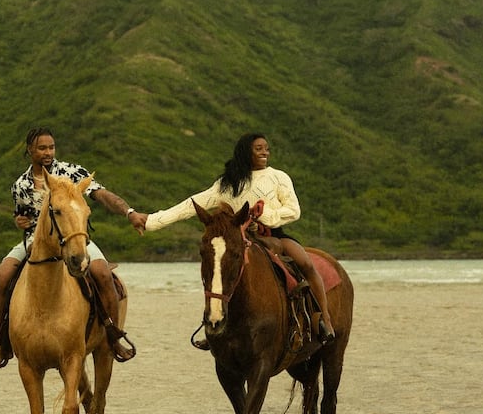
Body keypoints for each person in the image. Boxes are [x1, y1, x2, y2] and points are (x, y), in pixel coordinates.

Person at [136, 132, 335, 348]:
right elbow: (189, 205)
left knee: (305, 263)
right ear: (246, 151)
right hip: (236, 239)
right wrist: (152, 222)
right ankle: (215, 325)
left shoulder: (279, 177)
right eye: (259, 148)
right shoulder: (227, 183)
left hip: (273, 235)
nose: (265, 152)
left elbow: (293, 211)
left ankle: (323, 319)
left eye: (266, 148)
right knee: (220, 273)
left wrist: (263, 215)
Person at [0, 126, 144, 367]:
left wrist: (129, 212)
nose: (48, 152)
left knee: (102, 274)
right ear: (30, 151)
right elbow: (22, 217)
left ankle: (113, 335)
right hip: (35, 242)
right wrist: (19, 222)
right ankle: (4, 340)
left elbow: (101, 194)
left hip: (74, 238)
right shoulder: (20, 185)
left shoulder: (71, 172)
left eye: (51, 147)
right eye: (42, 148)